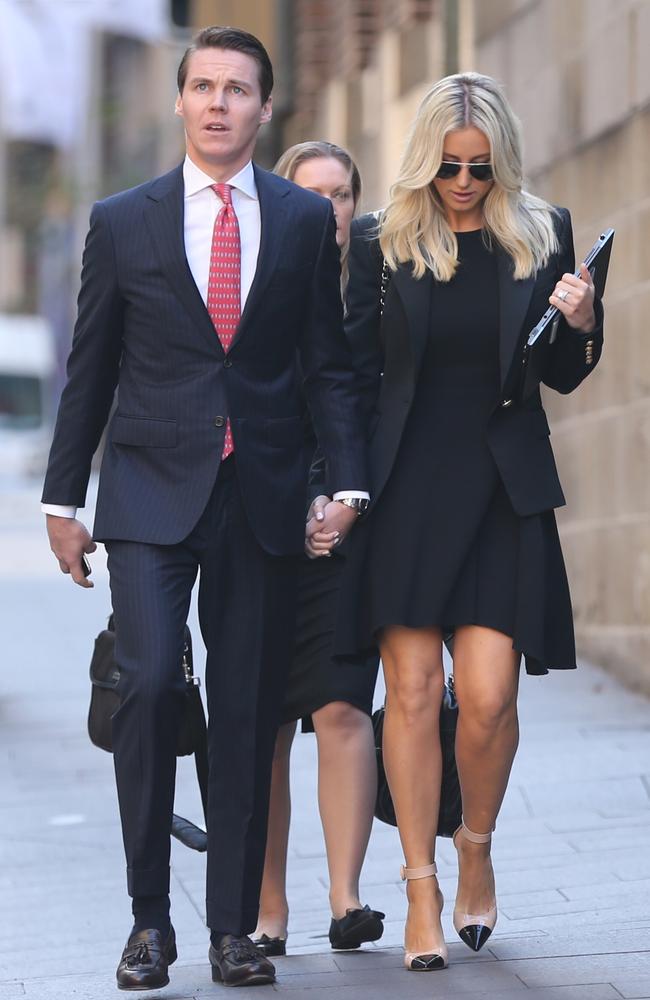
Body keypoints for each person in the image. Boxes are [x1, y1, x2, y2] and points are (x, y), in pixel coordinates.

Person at [41, 26, 369, 991]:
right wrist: (65, 500)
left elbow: (330, 371)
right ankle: (150, 919)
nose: (219, 103)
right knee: (145, 687)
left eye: (238, 90)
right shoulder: (124, 220)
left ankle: (232, 928)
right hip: (147, 490)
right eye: (203, 86)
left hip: (261, 494)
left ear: (267, 109)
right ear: (180, 101)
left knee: (246, 709)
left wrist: (344, 486)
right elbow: (89, 368)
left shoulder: (304, 224)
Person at [329, 71, 603, 972]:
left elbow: (562, 374)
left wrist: (581, 318)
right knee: (408, 697)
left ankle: (475, 841)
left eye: (479, 169)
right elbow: (355, 375)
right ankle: (420, 886)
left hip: (500, 487)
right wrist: (345, 487)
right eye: (448, 166)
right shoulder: (383, 241)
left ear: (503, 164)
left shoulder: (542, 231)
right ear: (424, 162)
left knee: (488, 699)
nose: (462, 183)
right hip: (405, 485)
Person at [251, 142, 383, 957]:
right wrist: (294, 503)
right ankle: (269, 909)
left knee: (339, 704)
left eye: (341, 195)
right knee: (262, 719)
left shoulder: (378, 287)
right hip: (262, 528)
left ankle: (346, 898)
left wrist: (348, 502)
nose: (328, 210)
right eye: (312, 194)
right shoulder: (254, 283)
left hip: (353, 524)